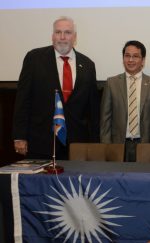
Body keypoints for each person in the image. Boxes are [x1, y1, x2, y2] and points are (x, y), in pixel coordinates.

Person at [13, 16, 100, 160]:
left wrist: (96, 143)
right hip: (41, 142)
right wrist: (19, 136)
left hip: (77, 145)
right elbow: (23, 100)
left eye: (67, 32)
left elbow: (93, 110)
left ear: (75, 37)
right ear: (52, 36)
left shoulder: (88, 65)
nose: (62, 37)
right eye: (58, 32)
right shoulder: (34, 59)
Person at [100, 40, 150, 162]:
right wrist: (107, 147)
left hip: (146, 146)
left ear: (143, 60)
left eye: (135, 56)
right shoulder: (112, 83)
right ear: (123, 58)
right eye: (127, 56)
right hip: (118, 146)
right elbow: (105, 120)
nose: (130, 60)